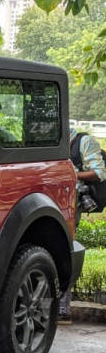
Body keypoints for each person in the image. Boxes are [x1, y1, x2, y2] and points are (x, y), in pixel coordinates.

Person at [59, 128, 106, 318]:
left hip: (71, 204)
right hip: (51, 200)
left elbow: (99, 172)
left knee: (65, 250)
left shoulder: (84, 142)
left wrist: (70, 174)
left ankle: (63, 309)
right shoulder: (46, 140)